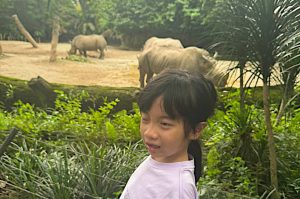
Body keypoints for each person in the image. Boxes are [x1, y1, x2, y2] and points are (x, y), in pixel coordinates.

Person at [120, 69, 217, 199]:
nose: (149, 133)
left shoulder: (179, 189)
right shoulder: (160, 160)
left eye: (165, 124)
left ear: (196, 130)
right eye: (145, 119)